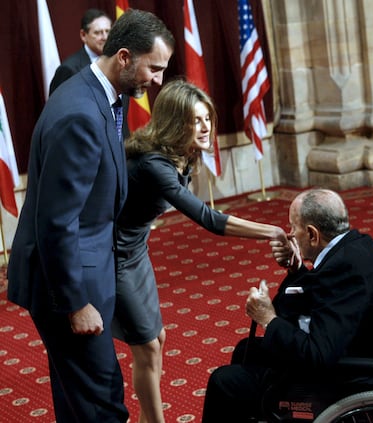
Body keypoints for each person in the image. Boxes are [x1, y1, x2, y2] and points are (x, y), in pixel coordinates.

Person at [7, 9, 175, 423]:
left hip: (83, 271)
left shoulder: (97, 94)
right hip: (68, 288)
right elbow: (57, 221)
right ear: (123, 56)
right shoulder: (81, 113)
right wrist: (76, 303)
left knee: (78, 400)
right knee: (102, 404)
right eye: (153, 68)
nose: (158, 81)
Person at [112, 79, 289, 423]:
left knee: (156, 338)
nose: (206, 127)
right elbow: (208, 218)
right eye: (196, 120)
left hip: (135, 250)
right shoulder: (155, 165)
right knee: (147, 345)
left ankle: (149, 419)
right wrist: (271, 231)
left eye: (207, 118)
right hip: (113, 256)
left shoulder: (179, 155)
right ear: (176, 122)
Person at [201, 188, 373, 422]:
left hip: (348, 380)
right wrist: (296, 269)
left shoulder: (343, 270)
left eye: (293, 227)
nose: (290, 235)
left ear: (312, 234)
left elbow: (318, 355)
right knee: (248, 349)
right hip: (363, 353)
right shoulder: (356, 247)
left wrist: (268, 319)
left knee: (224, 381)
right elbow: (319, 296)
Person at [49, 8, 112, 95]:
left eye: (108, 31)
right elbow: (57, 105)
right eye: (97, 33)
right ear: (83, 35)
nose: (105, 37)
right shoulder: (69, 69)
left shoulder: (115, 62)